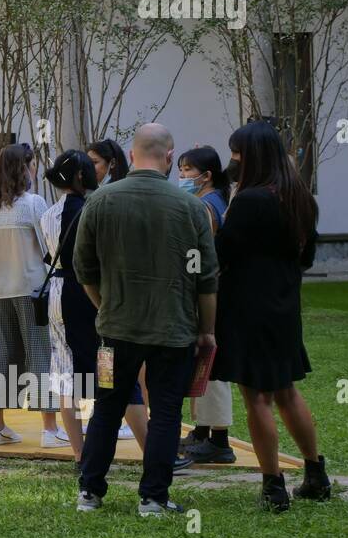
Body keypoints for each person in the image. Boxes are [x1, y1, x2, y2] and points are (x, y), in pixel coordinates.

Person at [73, 123, 217, 516]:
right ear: (170, 157)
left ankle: (90, 491)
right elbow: (206, 278)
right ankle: (154, 496)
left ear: (131, 156)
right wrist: (206, 330)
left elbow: (83, 268)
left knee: (106, 406)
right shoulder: (190, 207)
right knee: (166, 411)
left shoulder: (100, 202)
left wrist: (105, 305)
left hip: (113, 332)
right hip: (174, 331)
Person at [211, 121, 329, 512]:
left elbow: (222, 254)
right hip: (285, 305)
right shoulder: (301, 198)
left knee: (256, 397)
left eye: (237, 153)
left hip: (247, 307)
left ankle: (273, 484)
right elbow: (307, 258)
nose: (233, 160)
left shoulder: (249, 201)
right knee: (287, 391)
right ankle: (315, 473)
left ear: (251, 156)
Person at [0, 143, 67, 448]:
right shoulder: (33, 203)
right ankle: (49, 428)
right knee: (40, 356)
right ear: (24, 167)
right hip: (31, 290)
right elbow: (49, 246)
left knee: (1, 356)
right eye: (32, 164)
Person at [176, 145, 236, 464]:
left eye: (187, 170)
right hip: (206, 291)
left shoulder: (206, 207)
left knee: (212, 365)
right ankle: (201, 430)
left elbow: (199, 255)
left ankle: (220, 440)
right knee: (202, 362)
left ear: (206, 175)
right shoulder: (207, 201)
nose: (182, 176)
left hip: (208, 293)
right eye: (181, 169)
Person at [88, 136, 148, 445]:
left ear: (113, 164)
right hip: (109, 306)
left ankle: (137, 427)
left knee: (116, 373)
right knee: (110, 373)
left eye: (95, 162)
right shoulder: (95, 200)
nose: (90, 168)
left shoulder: (107, 199)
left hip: (112, 305)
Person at [40, 150, 99, 462]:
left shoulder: (47, 214)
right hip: (82, 292)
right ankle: (93, 447)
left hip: (56, 290)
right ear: (80, 176)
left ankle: (78, 452)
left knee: (64, 371)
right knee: (91, 369)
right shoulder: (89, 209)